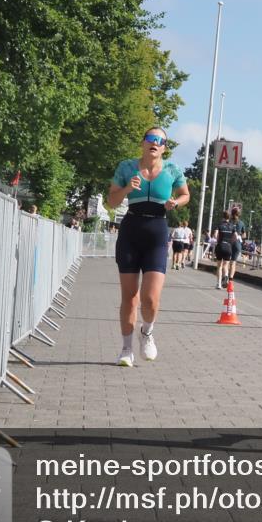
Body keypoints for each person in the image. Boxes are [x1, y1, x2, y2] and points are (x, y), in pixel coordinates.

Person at [107, 127, 190, 367]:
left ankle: (147, 332)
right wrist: (126, 190)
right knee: (130, 298)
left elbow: (186, 195)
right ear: (143, 143)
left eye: (160, 140)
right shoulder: (127, 168)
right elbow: (111, 201)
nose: (155, 143)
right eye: (151, 139)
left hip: (157, 230)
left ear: (164, 147)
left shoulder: (172, 170)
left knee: (151, 299)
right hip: (131, 229)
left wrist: (176, 202)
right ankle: (126, 349)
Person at [212, 211, 239, 289]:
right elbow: (236, 237)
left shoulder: (219, 225)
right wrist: (230, 242)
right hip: (228, 247)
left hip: (220, 246)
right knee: (226, 265)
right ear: (229, 217)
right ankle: (226, 276)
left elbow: (215, 234)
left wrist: (218, 240)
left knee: (219, 266)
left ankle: (218, 284)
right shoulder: (232, 226)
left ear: (223, 217)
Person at [228, 206, 247, 281]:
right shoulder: (241, 223)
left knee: (226, 262)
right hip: (237, 244)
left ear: (232, 213)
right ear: (239, 214)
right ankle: (230, 279)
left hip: (228, 243)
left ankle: (225, 276)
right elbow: (244, 235)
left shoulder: (229, 222)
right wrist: (239, 236)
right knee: (233, 262)